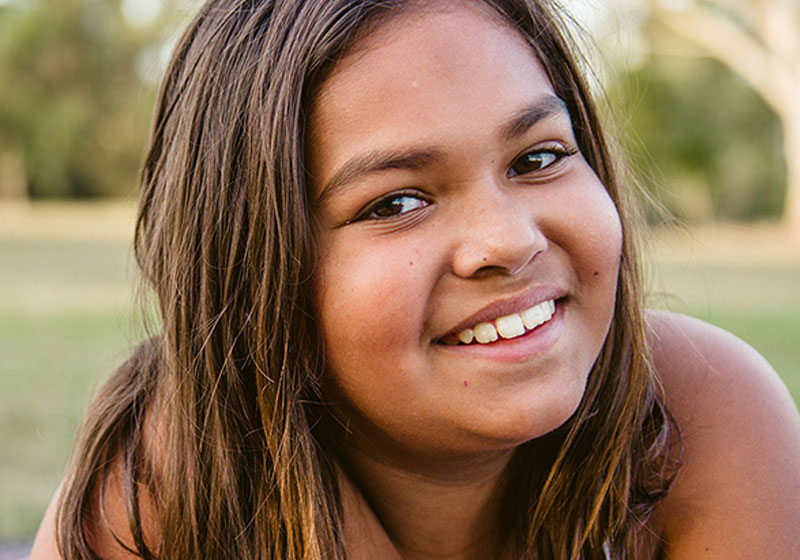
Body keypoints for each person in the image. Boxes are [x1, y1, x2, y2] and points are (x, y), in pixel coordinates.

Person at [30, 0, 800, 558]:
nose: (506, 241)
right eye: (396, 202)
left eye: (537, 157)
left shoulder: (697, 415)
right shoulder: (162, 490)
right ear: (252, 273)